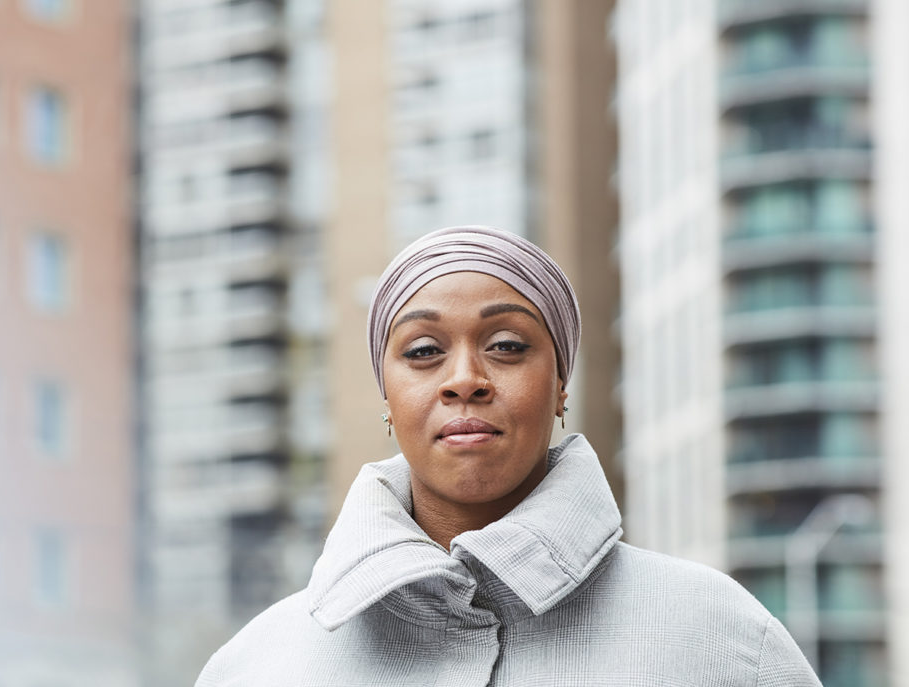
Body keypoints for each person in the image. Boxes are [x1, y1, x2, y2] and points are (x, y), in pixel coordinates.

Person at [195, 225, 821, 686]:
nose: (464, 378)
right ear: (385, 393)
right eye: (422, 352)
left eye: (506, 345)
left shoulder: (721, 639)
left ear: (561, 385)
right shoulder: (260, 664)